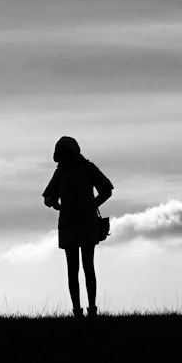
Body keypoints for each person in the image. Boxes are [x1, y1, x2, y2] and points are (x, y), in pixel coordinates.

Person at [43, 136, 113, 318]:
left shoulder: (86, 167)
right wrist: (54, 202)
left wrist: (92, 205)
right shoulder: (61, 172)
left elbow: (107, 189)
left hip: (85, 223)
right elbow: (47, 197)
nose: (62, 156)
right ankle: (78, 311)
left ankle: (91, 309)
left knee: (87, 267)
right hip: (68, 224)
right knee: (73, 269)